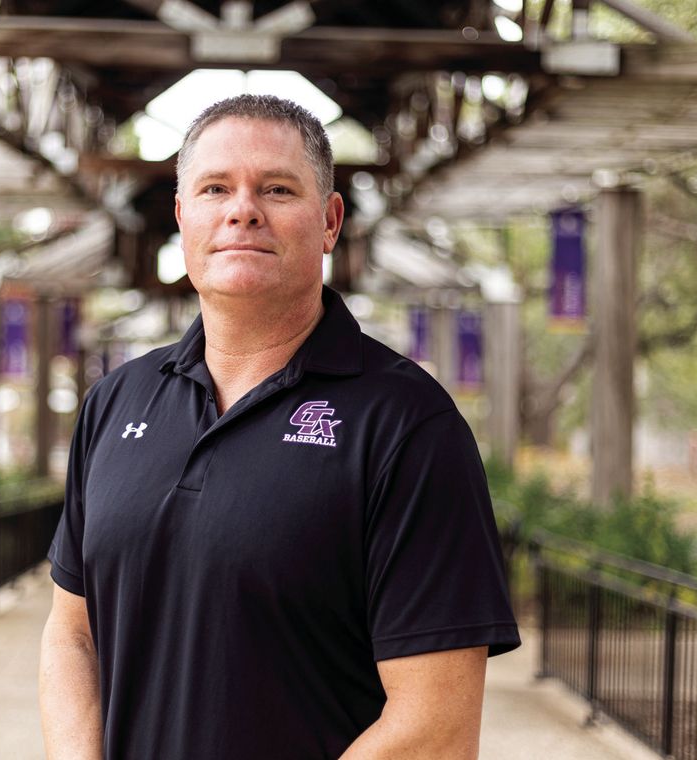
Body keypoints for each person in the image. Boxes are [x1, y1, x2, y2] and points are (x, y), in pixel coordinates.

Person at [39, 94, 520, 760]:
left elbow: (435, 728)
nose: (242, 209)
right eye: (214, 188)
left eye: (276, 188)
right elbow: (73, 635)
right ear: (183, 219)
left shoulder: (409, 426)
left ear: (329, 222)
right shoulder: (115, 403)